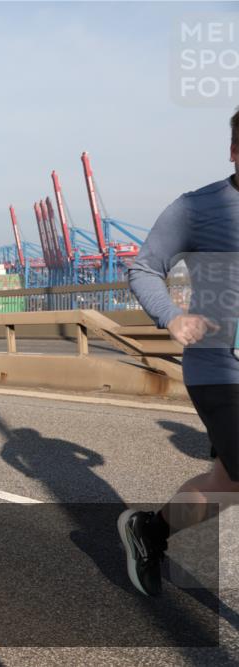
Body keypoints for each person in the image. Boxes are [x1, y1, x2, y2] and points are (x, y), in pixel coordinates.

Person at [119, 109, 239, 597]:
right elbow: (144, 268)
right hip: (221, 369)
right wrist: (171, 316)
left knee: (227, 483)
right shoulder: (196, 208)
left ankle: (151, 529)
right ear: (234, 151)